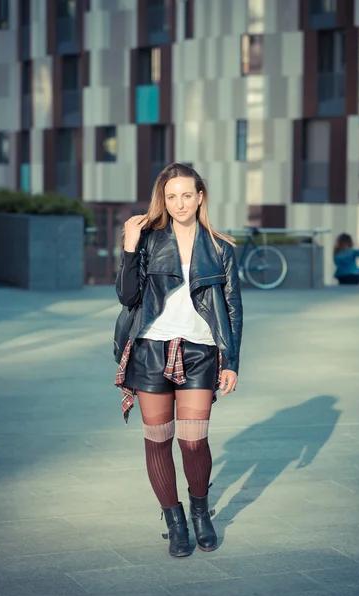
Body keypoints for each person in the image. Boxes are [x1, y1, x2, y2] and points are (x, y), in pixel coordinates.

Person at [114, 163, 243, 558]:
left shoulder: (221, 248)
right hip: (151, 349)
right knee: (158, 441)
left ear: (200, 196)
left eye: (187, 194)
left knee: (193, 441)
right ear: (163, 200)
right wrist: (130, 246)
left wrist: (231, 360)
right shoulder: (150, 241)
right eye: (171, 196)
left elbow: (233, 307)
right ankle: (175, 522)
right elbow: (127, 296)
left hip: (200, 351)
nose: (179, 203)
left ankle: (201, 512)